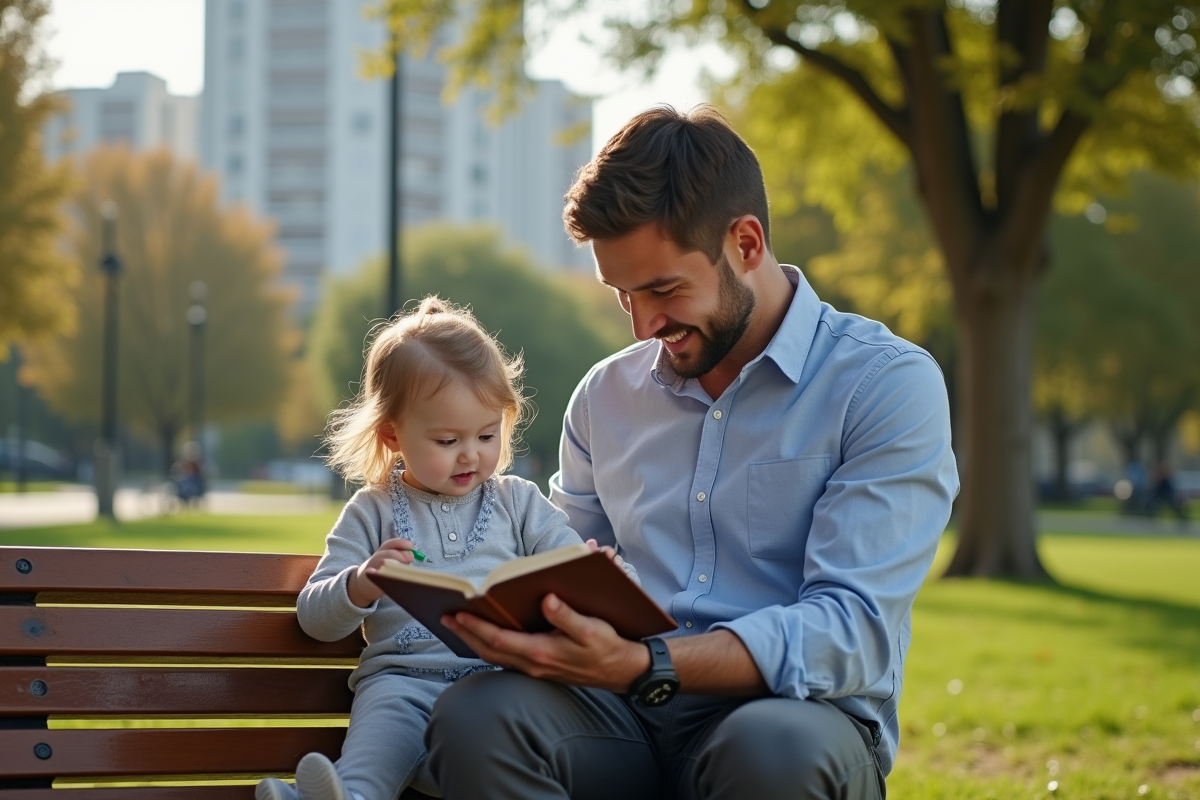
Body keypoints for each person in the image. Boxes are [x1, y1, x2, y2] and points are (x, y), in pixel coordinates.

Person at [424, 107, 960, 800]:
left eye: (663, 289)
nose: (645, 324)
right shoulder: (604, 396)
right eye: (622, 296)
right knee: (478, 718)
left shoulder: (883, 384)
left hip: (792, 719)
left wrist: (649, 662)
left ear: (745, 243)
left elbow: (851, 631)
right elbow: (563, 567)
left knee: (772, 752)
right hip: (617, 719)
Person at [256, 297, 636, 800]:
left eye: (485, 434)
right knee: (375, 757)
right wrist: (361, 583)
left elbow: (569, 563)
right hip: (403, 686)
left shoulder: (518, 502)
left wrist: (603, 575)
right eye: (446, 440)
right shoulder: (372, 511)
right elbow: (313, 617)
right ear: (393, 433)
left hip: (503, 685)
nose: (471, 454)